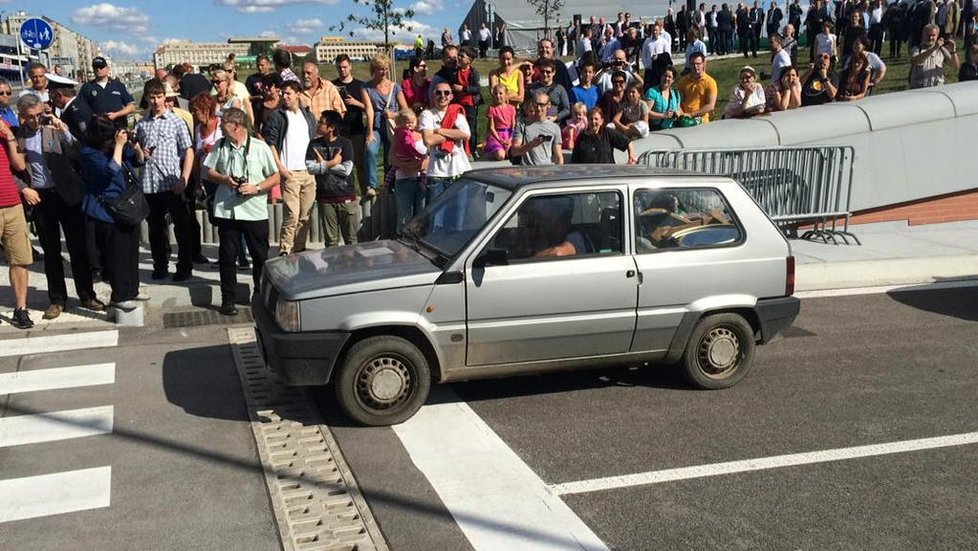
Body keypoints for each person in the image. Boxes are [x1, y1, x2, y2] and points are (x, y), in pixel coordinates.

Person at [15, 94, 103, 320]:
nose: (36, 121)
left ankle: (86, 294)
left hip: (66, 193)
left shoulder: (52, 128)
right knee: (51, 251)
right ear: (22, 117)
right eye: (30, 118)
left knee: (78, 247)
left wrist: (63, 129)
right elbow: (14, 168)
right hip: (41, 196)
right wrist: (25, 187)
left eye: (39, 115)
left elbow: (76, 152)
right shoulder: (20, 136)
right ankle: (57, 299)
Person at [202, 108, 279, 316]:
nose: (220, 129)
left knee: (259, 256)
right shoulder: (220, 146)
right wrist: (224, 179)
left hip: (254, 211)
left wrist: (257, 188)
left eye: (224, 125)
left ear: (236, 126)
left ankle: (261, 295)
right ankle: (228, 299)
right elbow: (208, 171)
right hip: (227, 211)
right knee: (227, 257)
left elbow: (276, 176)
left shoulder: (260, 147)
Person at [79, 117, 143, 313]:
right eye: (108, 138)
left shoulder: (115, 147)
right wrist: (118, 146)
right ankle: (119, 296)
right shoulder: (88, 153)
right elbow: (110, 169)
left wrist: (134, 144)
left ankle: (132, 290)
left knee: (131, 251)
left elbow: (138, 160)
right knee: (117, 256)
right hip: (106, 210)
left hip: (125, 206)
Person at [134, 79, 195, 281]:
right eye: (152, 97)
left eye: (159, 97)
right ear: (147, 98)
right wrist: (140, 153)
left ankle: (184, 266)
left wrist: (184, 178)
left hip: (172, 182)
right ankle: (160, 264)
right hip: (150, 184)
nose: (156, 101)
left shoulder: (176, 121)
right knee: (156, 229)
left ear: (165, 98)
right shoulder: (141, 124)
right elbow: (139, 158)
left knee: (181, 226)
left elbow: (188, 151)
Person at [264, 80, 317, 255]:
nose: (284, 97)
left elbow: (313, 140)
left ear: (298, 94)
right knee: (291, 215)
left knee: (305, 216)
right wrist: (281, 168)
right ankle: (285, 248)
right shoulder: (278, 116)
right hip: (290, 172)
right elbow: (271, 143)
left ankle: (299, 247)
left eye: (288, 93)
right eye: (283, 93)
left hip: (308, 171)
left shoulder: (307, 116)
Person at [305, 109, 359, 248]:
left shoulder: (345, 143)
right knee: (330, 242)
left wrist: (322, 164)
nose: (317, 125)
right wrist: (332, 163)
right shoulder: (314, 144)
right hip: (325, 199)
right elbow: (310, 168)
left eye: (321, 123)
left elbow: (346, 170)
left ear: (331, 128)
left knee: (351, 241)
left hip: (346, 196)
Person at [419, 82, 470, 209]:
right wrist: (453, 132)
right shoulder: (427, 115)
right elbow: (428, 140)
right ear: (433, 95)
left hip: (458, 172)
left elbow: (465, 135)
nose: (443, 96)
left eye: (446, 92)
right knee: (434, 220)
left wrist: (439, 130)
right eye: (438, 93)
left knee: (458, 219)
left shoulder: (458, 114)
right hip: (437, 175)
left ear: (452, 96)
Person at [332, 54, 370, 198]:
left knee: (360, 164)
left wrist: (356, 103)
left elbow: (369, 108)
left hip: (356, 130)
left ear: (350, 67)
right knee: (341, 165)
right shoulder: (332, 85)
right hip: (339, 131)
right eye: (339, 67)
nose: (342, 70)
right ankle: (345, 193)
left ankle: (365, 192)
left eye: (345, 67)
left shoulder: (360, 85)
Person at [390, 109, 428, 230]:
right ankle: (402, 240)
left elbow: (429, 160)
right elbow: (392, 158)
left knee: (421, 215)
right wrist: (408, 166)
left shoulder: (424, 137)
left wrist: (416, 165)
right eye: (407, 122)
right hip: (404, 179)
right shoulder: (399, 135)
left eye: (413, 121)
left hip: (421, 179)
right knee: (404, 217)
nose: (411, 124)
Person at [78, 57, 135, 129]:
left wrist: (115, 115)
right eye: (95, 67)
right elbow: (80, 109)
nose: (98, 69)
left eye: (101, 67)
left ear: (107, 68)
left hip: (118, 128)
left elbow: (131, 107)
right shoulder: (87, 87)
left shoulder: (119, 85)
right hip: (97, 131)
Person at [510, 92, 562, 166]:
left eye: (542, 105)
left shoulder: (554, 128)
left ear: (548, 105)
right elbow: (514, 152)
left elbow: (558, 156)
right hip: (526, 171)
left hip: (546, 172)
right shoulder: (522, 125)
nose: (538, 108)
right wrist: (531, 144)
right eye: (536, 104)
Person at [454, 47, 483, 156]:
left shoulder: (473, 73)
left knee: (471, 127)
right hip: (458, 104)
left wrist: (463, 88)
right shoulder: (456, 72)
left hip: (470, 104)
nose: (459, 58)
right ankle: (461, 148)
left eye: (462, 56)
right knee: (459, 126)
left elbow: (477, 89)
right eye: (459, 56)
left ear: (469, 60)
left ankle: (471, 149)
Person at [676, 52, 718, 124]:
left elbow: (710, 106)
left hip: (701, 120)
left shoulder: (710, 82)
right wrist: (682, 114)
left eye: (698, 64)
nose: (695, 66)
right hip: (684, 118)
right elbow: (677, 101)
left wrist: (691, 115)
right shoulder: (682, 82)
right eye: (693, 64)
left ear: (703, 64)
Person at [527, 58, 571, 124]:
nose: (545, 74)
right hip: (535, 123)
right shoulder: (532, 88)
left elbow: (567, 109)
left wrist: (556, 117)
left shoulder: (560, 89)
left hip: (554, 124)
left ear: (553, 72)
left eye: (548, 72)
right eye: (542, 71)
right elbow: (525, 106)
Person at [484, 85, 517, 160]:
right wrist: (499, 139)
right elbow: (491, 127)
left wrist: (510, 139)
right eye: (496, 94)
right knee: (501, 156)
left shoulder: (511, 108)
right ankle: (493, 152)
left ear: (505, 94)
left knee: (512, 155)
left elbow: (513, 125)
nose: (498, 96)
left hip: (509, 134)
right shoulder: (492, 109)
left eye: (500, 93)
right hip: (497, 135)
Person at [646, 66, 684, 130]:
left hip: (673, 129)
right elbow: (646, 112)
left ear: (673, 80)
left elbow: (679, 110)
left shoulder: (676, 93)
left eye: (669, 77)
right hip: (657, 130)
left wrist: (678, 113)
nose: (666, 78)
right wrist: (663, 115)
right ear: (661, 77)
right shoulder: (652, 92)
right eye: (664, 76)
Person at [641, 23, 672, 90]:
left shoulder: (664, 42)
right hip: (649, 69)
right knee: (648, 88)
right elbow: (643, 54)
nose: (654, 32)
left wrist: (659, 57)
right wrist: (646, 65)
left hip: (660, 69)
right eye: (653, 30)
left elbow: (668, 55)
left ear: (659, 31)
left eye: (656, 30)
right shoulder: (647, 41)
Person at [246, 54, 272, 118]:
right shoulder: (251, 79)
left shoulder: (274, 78)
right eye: (258, 65)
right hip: (257, 112)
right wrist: (257, 97)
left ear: (268, 65)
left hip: (271, 111)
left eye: (262, 65)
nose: (260, 68)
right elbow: (246, 97)